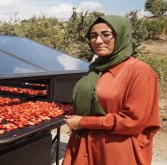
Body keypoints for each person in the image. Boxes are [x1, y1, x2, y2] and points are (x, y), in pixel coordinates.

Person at [62, 15, 161, 165]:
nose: (98, 41)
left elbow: (133, 121)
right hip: (83, 145)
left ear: (121, 35)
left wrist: (84, 122)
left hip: (114, 151)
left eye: (106, 34)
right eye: (93, 36)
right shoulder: (96, 69)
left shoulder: (140, 71)